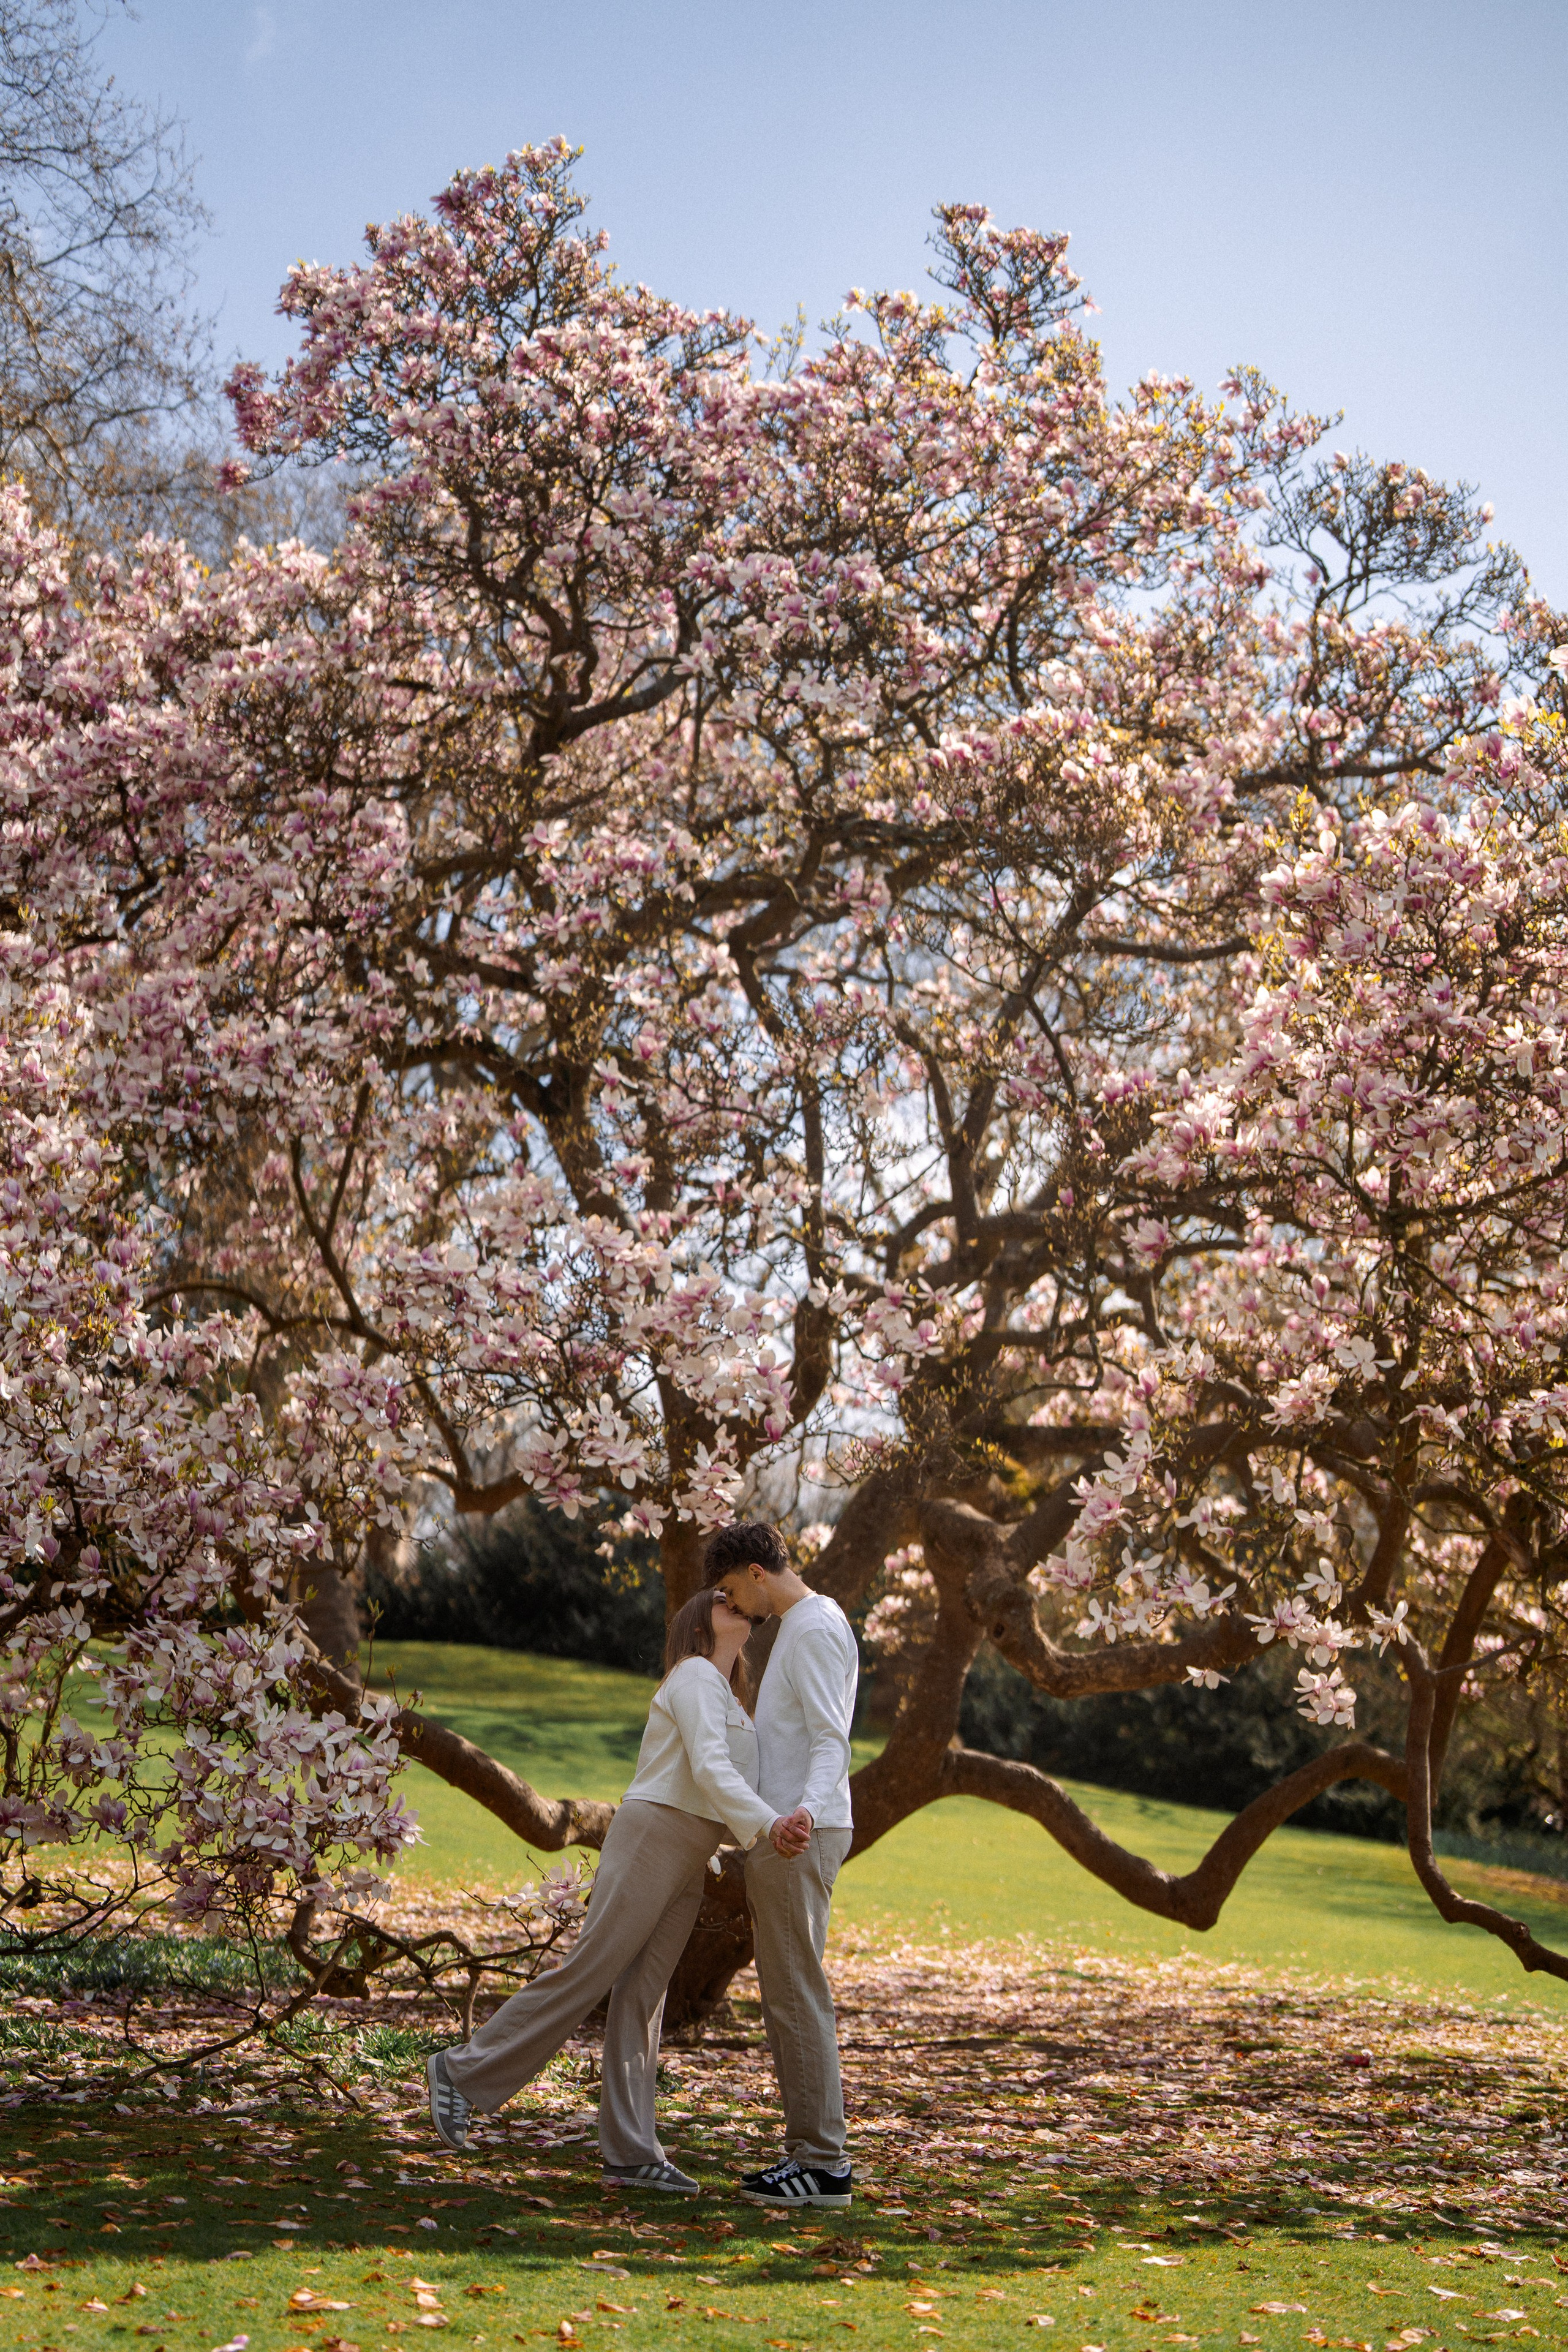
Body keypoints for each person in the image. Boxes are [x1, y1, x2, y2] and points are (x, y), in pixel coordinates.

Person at [425, 1585, 783, 2194]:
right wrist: (768, 1827)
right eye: (722, 1597)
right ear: (698, 1624)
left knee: (644, 1997)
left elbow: (729, 1790)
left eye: (740, 1599)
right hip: (653, 1835)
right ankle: (460, 2072)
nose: (735, 1601)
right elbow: (708, 1768)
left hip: (690, 1852)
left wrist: (768, 1826)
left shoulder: (731, 1699)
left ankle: (631, 2151)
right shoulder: (694, 1673)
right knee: (590, 1970)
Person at [704, 1521, 859, 2210]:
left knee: (796, 1994)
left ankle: (823, 2164)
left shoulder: (814, 1628)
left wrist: (804, 1812)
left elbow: (831, 1740)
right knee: (786, 1994)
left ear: (756, 1572)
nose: (733, 1604)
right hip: (788, 1829)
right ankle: (809, 2157)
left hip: (800, 1833)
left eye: (732, 1589)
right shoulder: (802, 1626)